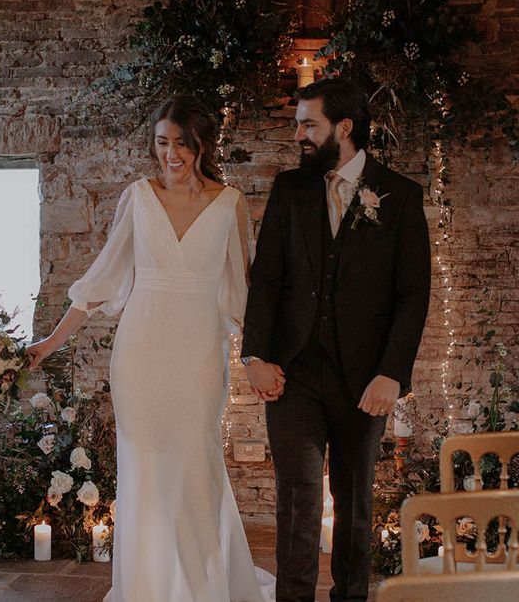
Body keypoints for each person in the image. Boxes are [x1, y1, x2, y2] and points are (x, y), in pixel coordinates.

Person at [28, 94, 274, 602]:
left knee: (195, 462)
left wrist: (256, 358)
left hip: (200, 356)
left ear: (202, 145)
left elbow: (243, 294)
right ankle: (148, 588)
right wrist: (51, 342)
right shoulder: (138, 198)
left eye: (182, 144)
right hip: (140, 355)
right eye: (163, 143)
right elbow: (101, 280)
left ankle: (203, 586)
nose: (172, 155)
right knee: (143, 468)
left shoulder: (230, 205)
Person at [241, 77, 431, 602]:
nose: (298, 134)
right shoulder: (288, 189)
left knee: (354, 503)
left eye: (309, 125)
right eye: (298, 123)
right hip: (294, 374)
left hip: (365, 378)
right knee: (297, 501)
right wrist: (255, 355)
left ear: (343, 128)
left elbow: (413, 294)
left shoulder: (400, 197)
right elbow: (268, 279)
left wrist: (392, 372)